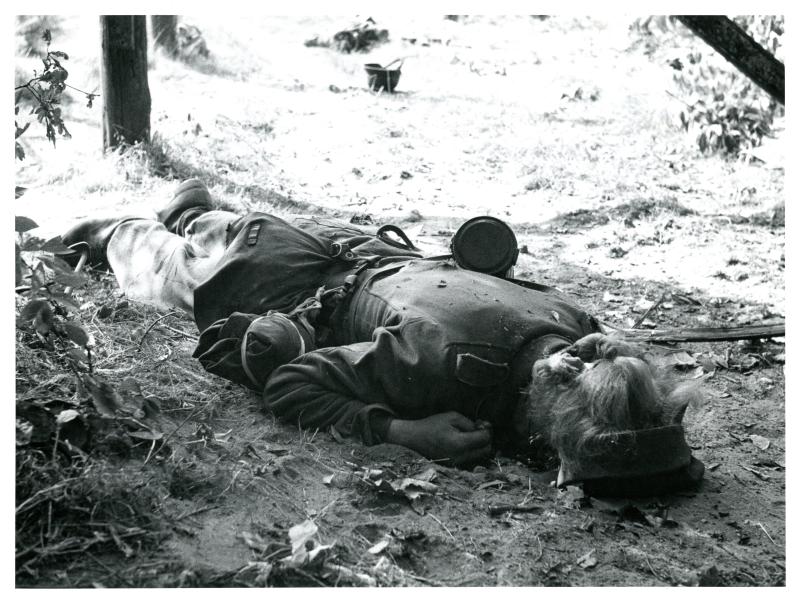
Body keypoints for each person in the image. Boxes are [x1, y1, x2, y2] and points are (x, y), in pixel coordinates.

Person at [61, 179, 704, 496]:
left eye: (583, 376)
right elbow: (292, 381)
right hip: (314, 264)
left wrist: (404, 432)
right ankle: (149, 217)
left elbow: (293, 381)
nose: (589, 353)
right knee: (189, 237)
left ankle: (158, 217)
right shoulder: (511, 345)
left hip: (311, 265)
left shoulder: (523, 341)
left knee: (191, 239)